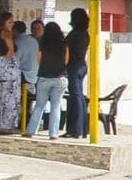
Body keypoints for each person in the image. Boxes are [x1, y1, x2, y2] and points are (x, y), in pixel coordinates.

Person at [30, 20, 70, 138]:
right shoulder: (64, 44)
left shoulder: (43, 43)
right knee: (56, 106)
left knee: (39, 105)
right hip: (60, 78)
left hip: (44, 78)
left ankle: (31, 131)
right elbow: (66, 61)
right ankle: (53, 134)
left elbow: (38, 59)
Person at [63, 8, 91, 138]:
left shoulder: (74, 34)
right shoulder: (85, 33)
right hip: (81, 66)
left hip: (73, 67)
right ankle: (83, 129)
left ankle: (75, 130)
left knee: (76, 98)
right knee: (79, 97)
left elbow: (65, 49)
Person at [12, 18, 42, 133]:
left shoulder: (19, 42)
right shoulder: (33, 40)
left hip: (25, 76)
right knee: (26, 98)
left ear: (15, 31)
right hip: (35, 76)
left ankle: (12, 118)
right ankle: (24, 119)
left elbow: (14, 61)